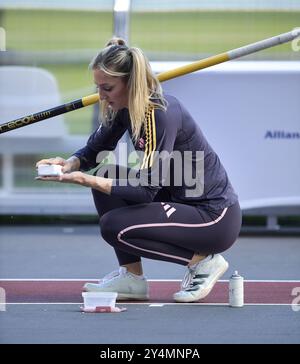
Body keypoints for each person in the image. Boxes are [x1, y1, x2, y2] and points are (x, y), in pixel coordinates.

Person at [36, 38, 242, 303]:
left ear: (129, 84)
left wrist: (84, 180)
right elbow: (93, 152)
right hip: (179, 201)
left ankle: (203, 263)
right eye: (98, 87)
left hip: (214, 217)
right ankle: (132, 279)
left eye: (107, 88)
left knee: (113, 227)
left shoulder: (160, 113)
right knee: (105, 174)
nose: (100, 96)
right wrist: (68, 165)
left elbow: (147, 189)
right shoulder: (124, 107)